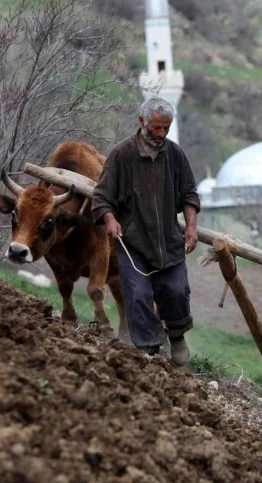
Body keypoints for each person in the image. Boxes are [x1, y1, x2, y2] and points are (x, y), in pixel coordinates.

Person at [92, 97, 200, 366]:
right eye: (156, 128)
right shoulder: (122, 155)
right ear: (142, 122)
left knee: (176, 291)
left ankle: (176, 337)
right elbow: (102, 197)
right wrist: (110, 220)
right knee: (138, 295)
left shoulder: (175, 154)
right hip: (133, 243)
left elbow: (189, 194)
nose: (161, 134)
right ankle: (149, 349)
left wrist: (191, 226)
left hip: (168, 241)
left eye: (166, 128)